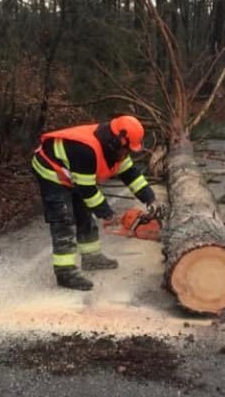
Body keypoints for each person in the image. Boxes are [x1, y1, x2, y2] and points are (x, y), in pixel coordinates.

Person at [31, 115, 157, 291]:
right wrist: (108, 214)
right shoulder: (87, 149)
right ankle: (65, 272)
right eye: (126, 149)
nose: (126, 154)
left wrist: (150, 199)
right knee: (64, 218)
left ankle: (92, 257)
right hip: (51, 169)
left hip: (74, 172)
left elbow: (131, 175)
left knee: (84, 212)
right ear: (116, 141)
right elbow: (88, 191)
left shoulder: (117, 151)